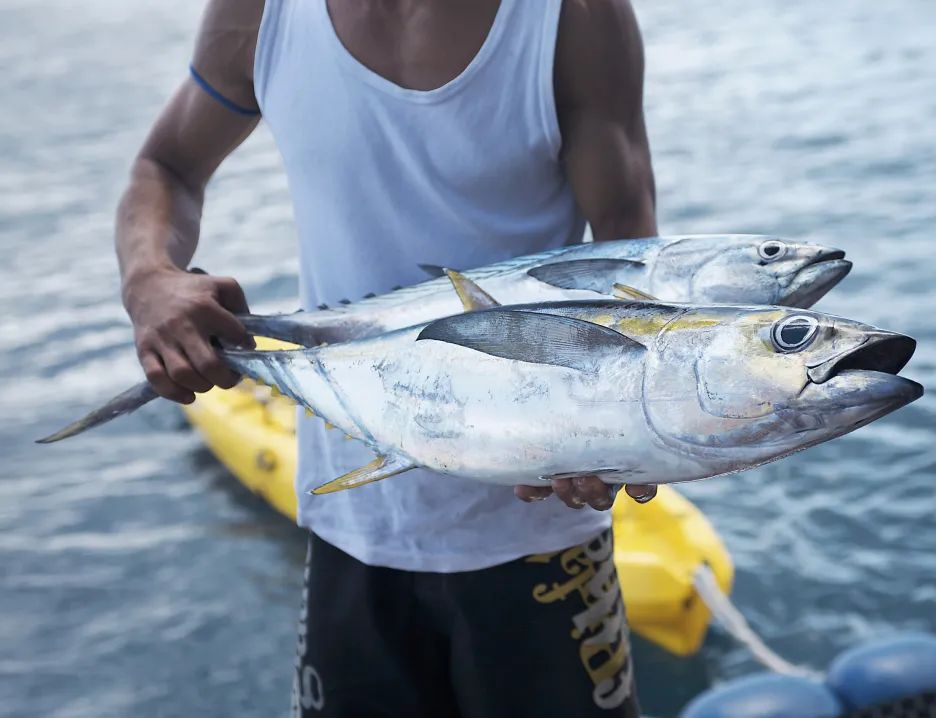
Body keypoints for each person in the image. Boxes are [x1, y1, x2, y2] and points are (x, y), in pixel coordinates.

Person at [117, 0, 659, 715]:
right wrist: (149, 278)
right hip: (350, 527)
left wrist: (622, 432)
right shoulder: (262, 12)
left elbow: (627, 257)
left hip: (539, 531)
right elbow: (167, 165)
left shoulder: (572, 17)